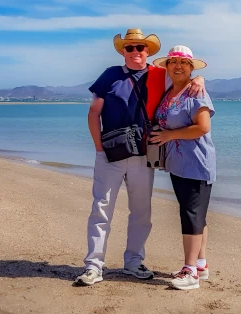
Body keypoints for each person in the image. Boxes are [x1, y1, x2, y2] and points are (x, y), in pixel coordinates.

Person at [75, 30, 205, 286]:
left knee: (142, 212)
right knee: (101, 209)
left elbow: (183, 77)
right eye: (130, 48)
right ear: (123, 51)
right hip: (109, 154)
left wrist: (200, 78)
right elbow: (94, 112)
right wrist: (98, 147)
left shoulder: (159, 74)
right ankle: (94, 266)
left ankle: (133, 262)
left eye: (140, 48)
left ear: (149, 52)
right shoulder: (110, 75)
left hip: (142, 154)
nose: (136, 52)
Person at [149, 45, 216, 291]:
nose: (179, 66)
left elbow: (202, 127)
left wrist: (168, 136)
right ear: (167, 67)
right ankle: (200, 265)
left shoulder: (196, 92)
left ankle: (190, 273)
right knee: (196, 215)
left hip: (196, 163)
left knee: (191, 216)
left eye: (184, 63)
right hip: (178, 165)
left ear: (191, 67)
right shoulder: (170, 92)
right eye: (174, 62)